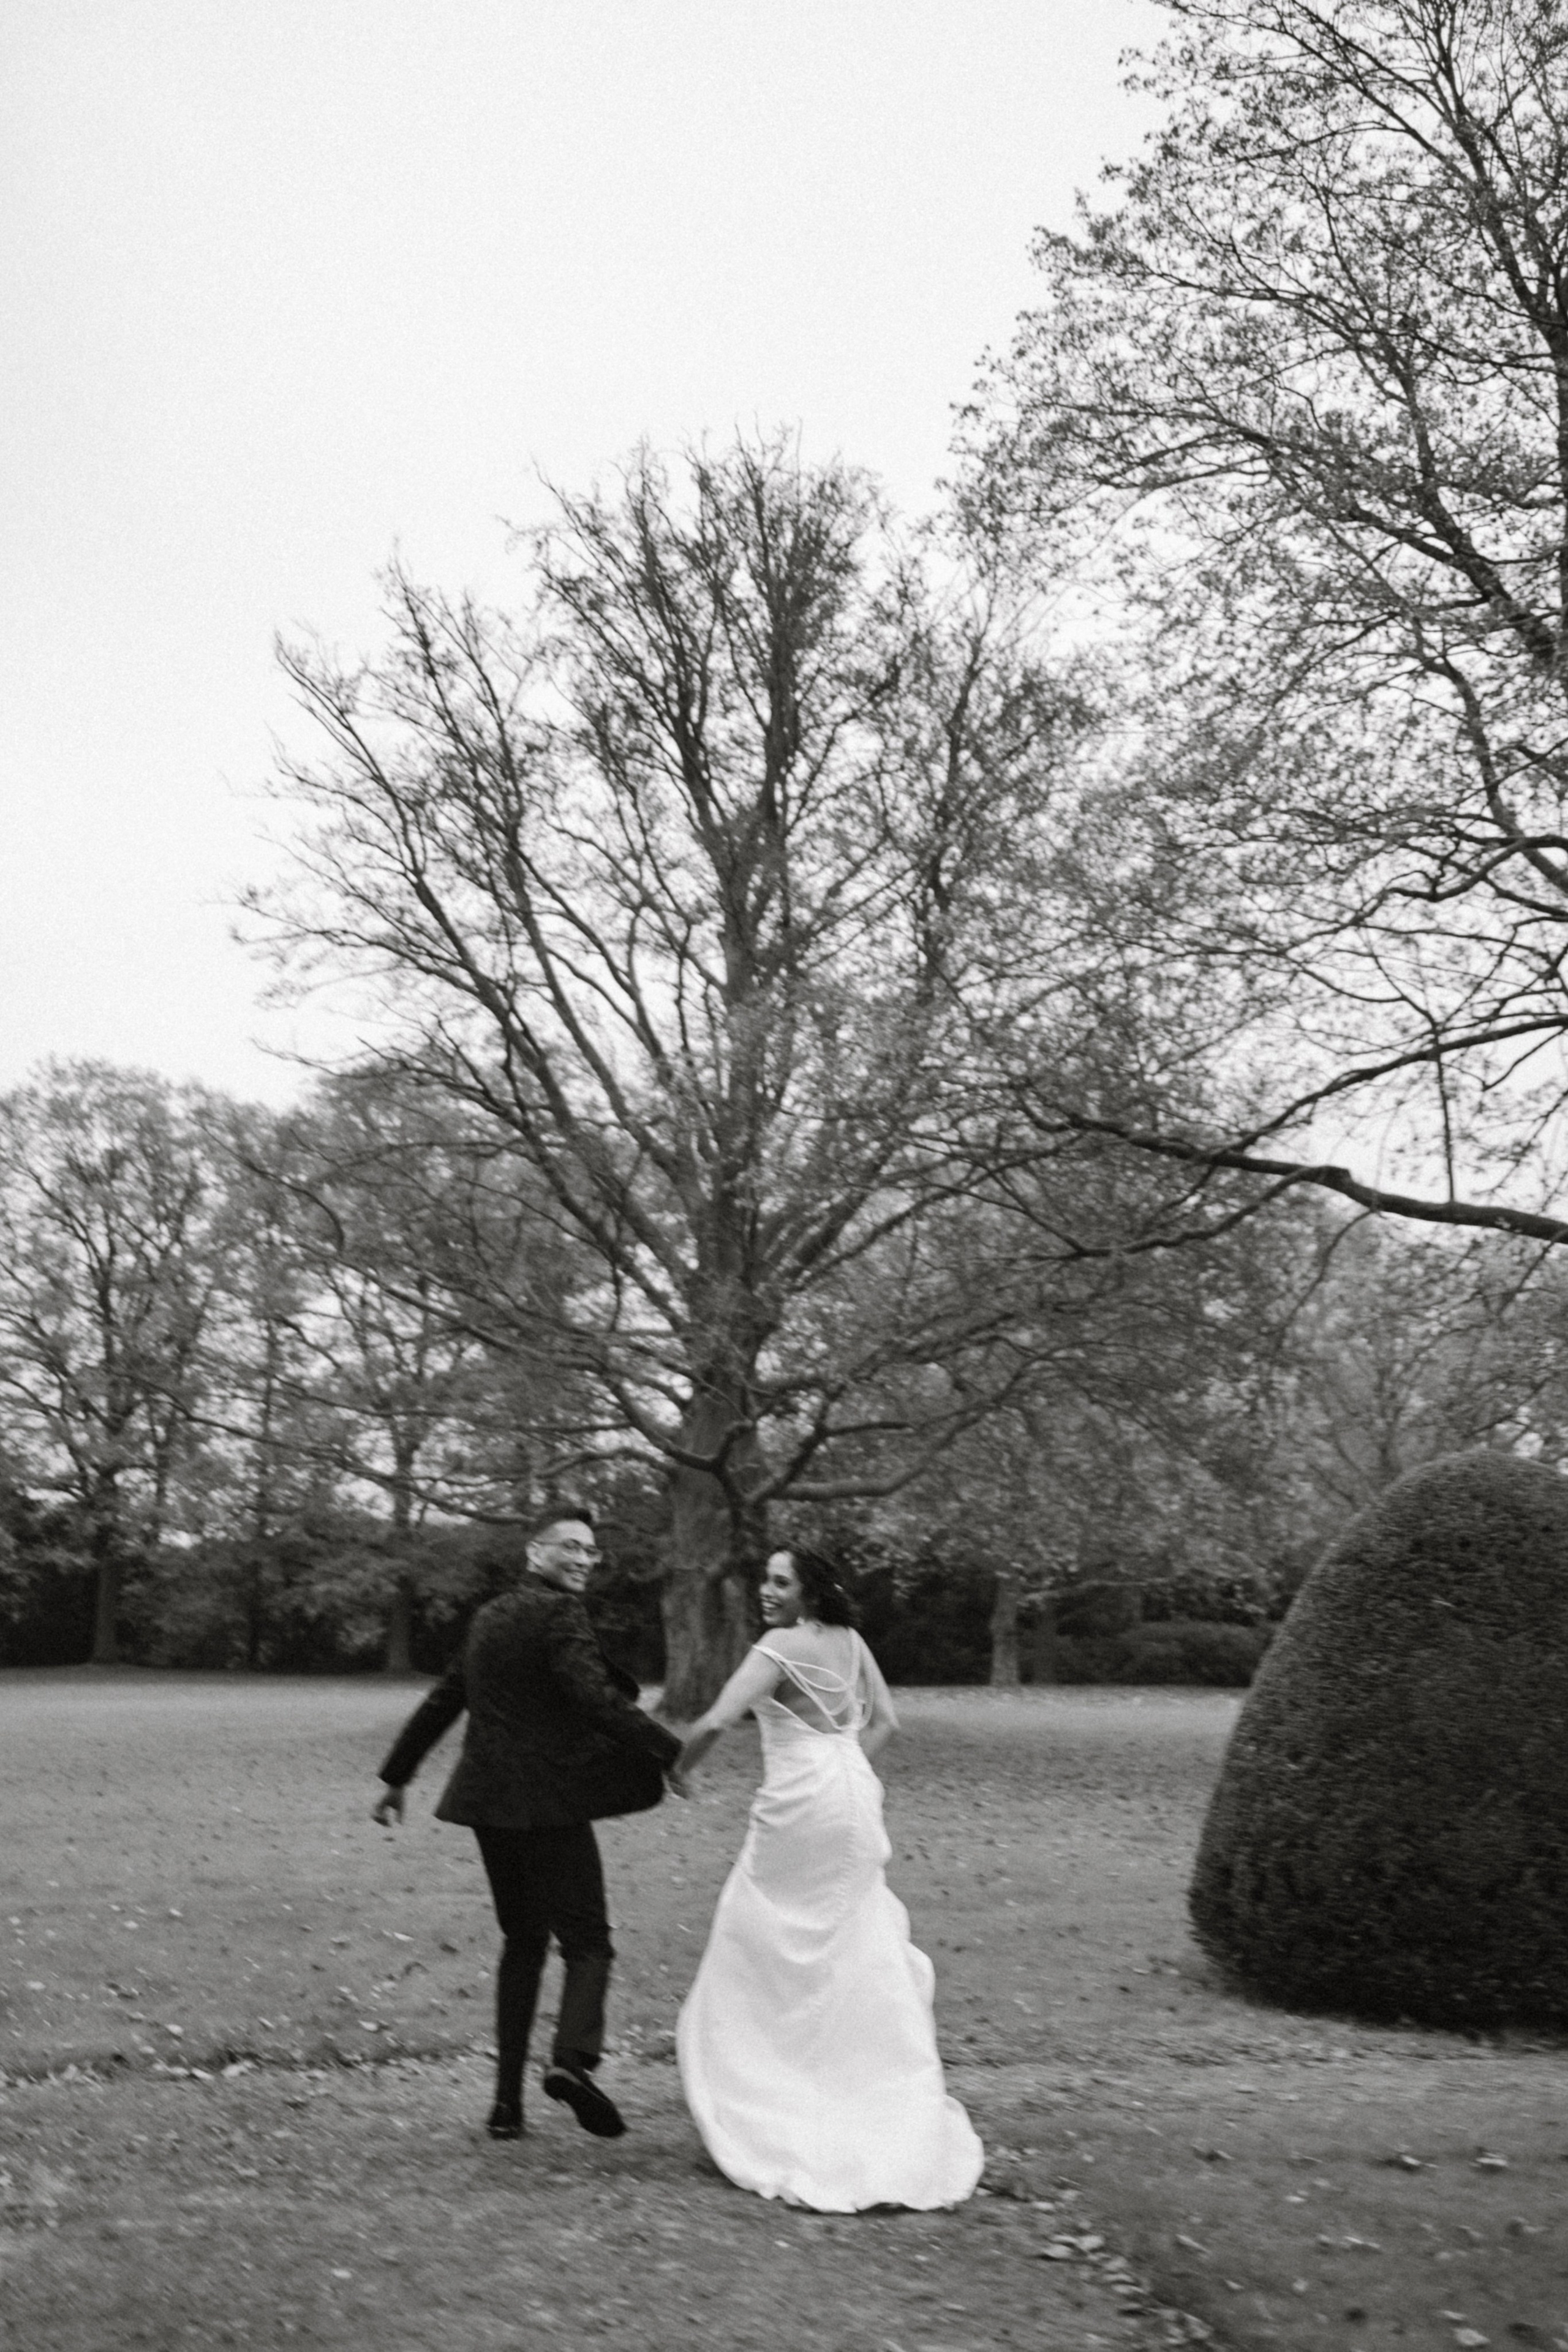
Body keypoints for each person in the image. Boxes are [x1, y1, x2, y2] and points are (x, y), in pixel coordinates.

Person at [673, 1547, 983, 2212]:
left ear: (808, 1593)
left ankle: (770, 2094)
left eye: (780, 1581)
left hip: (801, 1803)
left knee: (751, 1930)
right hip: (851, 1793)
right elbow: (885, 1723)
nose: (766, 1590)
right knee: (845, 1937)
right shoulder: (851, 1641)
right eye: (764, 1578)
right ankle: (848, 2080)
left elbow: (716, 1719)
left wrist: (678, 1770)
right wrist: (844, 1764)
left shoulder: (781, 1645)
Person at [372, 1509, 682, 2141]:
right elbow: (593, 1696)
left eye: (591, 1551)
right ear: (533, 1554)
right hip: (548, 1806)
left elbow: (444, 1697)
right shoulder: (560, 1615)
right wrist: (670, 1752)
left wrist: (397, 1776)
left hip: (489, 1805)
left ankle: (506, 2106)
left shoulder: (488, 1618)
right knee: (588, 1941)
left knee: (522, 1943)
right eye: (570, 1547)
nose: (583, 1559)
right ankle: (571, 2062)